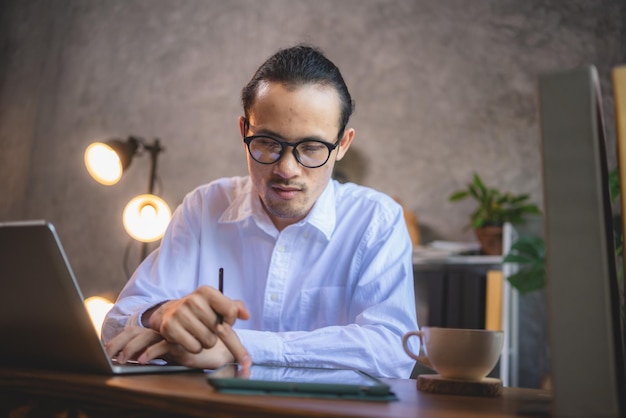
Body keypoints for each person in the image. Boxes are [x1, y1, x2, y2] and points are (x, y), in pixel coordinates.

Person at [103, 44, 419, 378]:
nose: (287, 169)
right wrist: (161, 314)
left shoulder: (376, 221)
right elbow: (114, 326)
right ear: (244, 132)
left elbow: (393, 350)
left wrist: (237, 345)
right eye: (268, 143)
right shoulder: (203, 206)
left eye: (311, 148)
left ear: (342, 145)